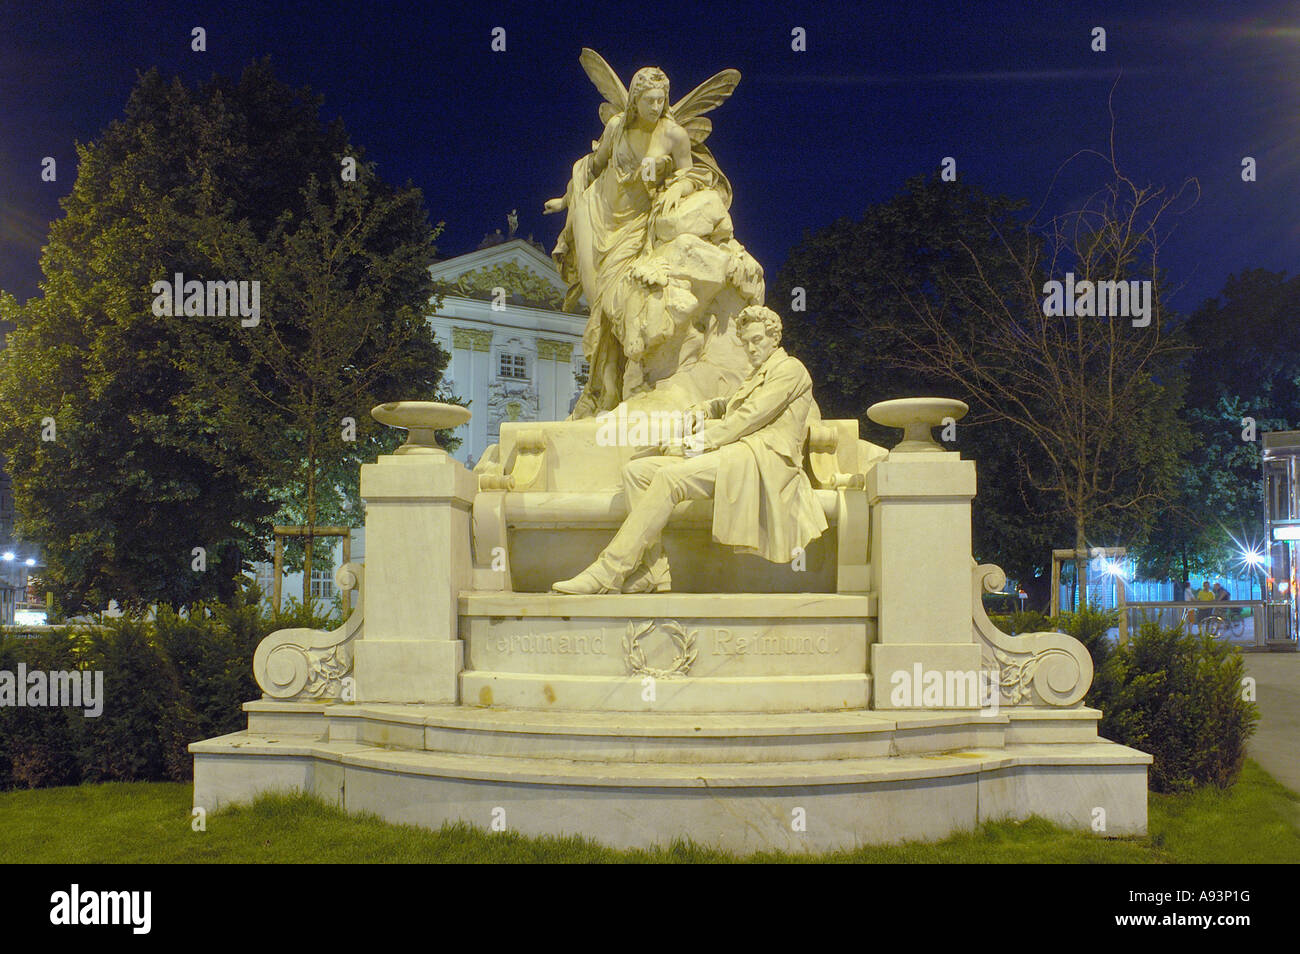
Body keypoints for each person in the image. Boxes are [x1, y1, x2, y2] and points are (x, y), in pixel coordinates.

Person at [552, 305, 826, 594]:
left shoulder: (790, 370)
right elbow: (733, 404)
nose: (750, 348)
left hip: (760, 459)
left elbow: (749, 417)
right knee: (636, 472)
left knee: (670, 479)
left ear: (774, 338)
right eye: (745, 342)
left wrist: (692, 444)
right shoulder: (758, 375)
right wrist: (706, 408)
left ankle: (608, 572)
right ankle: (653, 571)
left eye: (757, 340)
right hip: (735, 453)